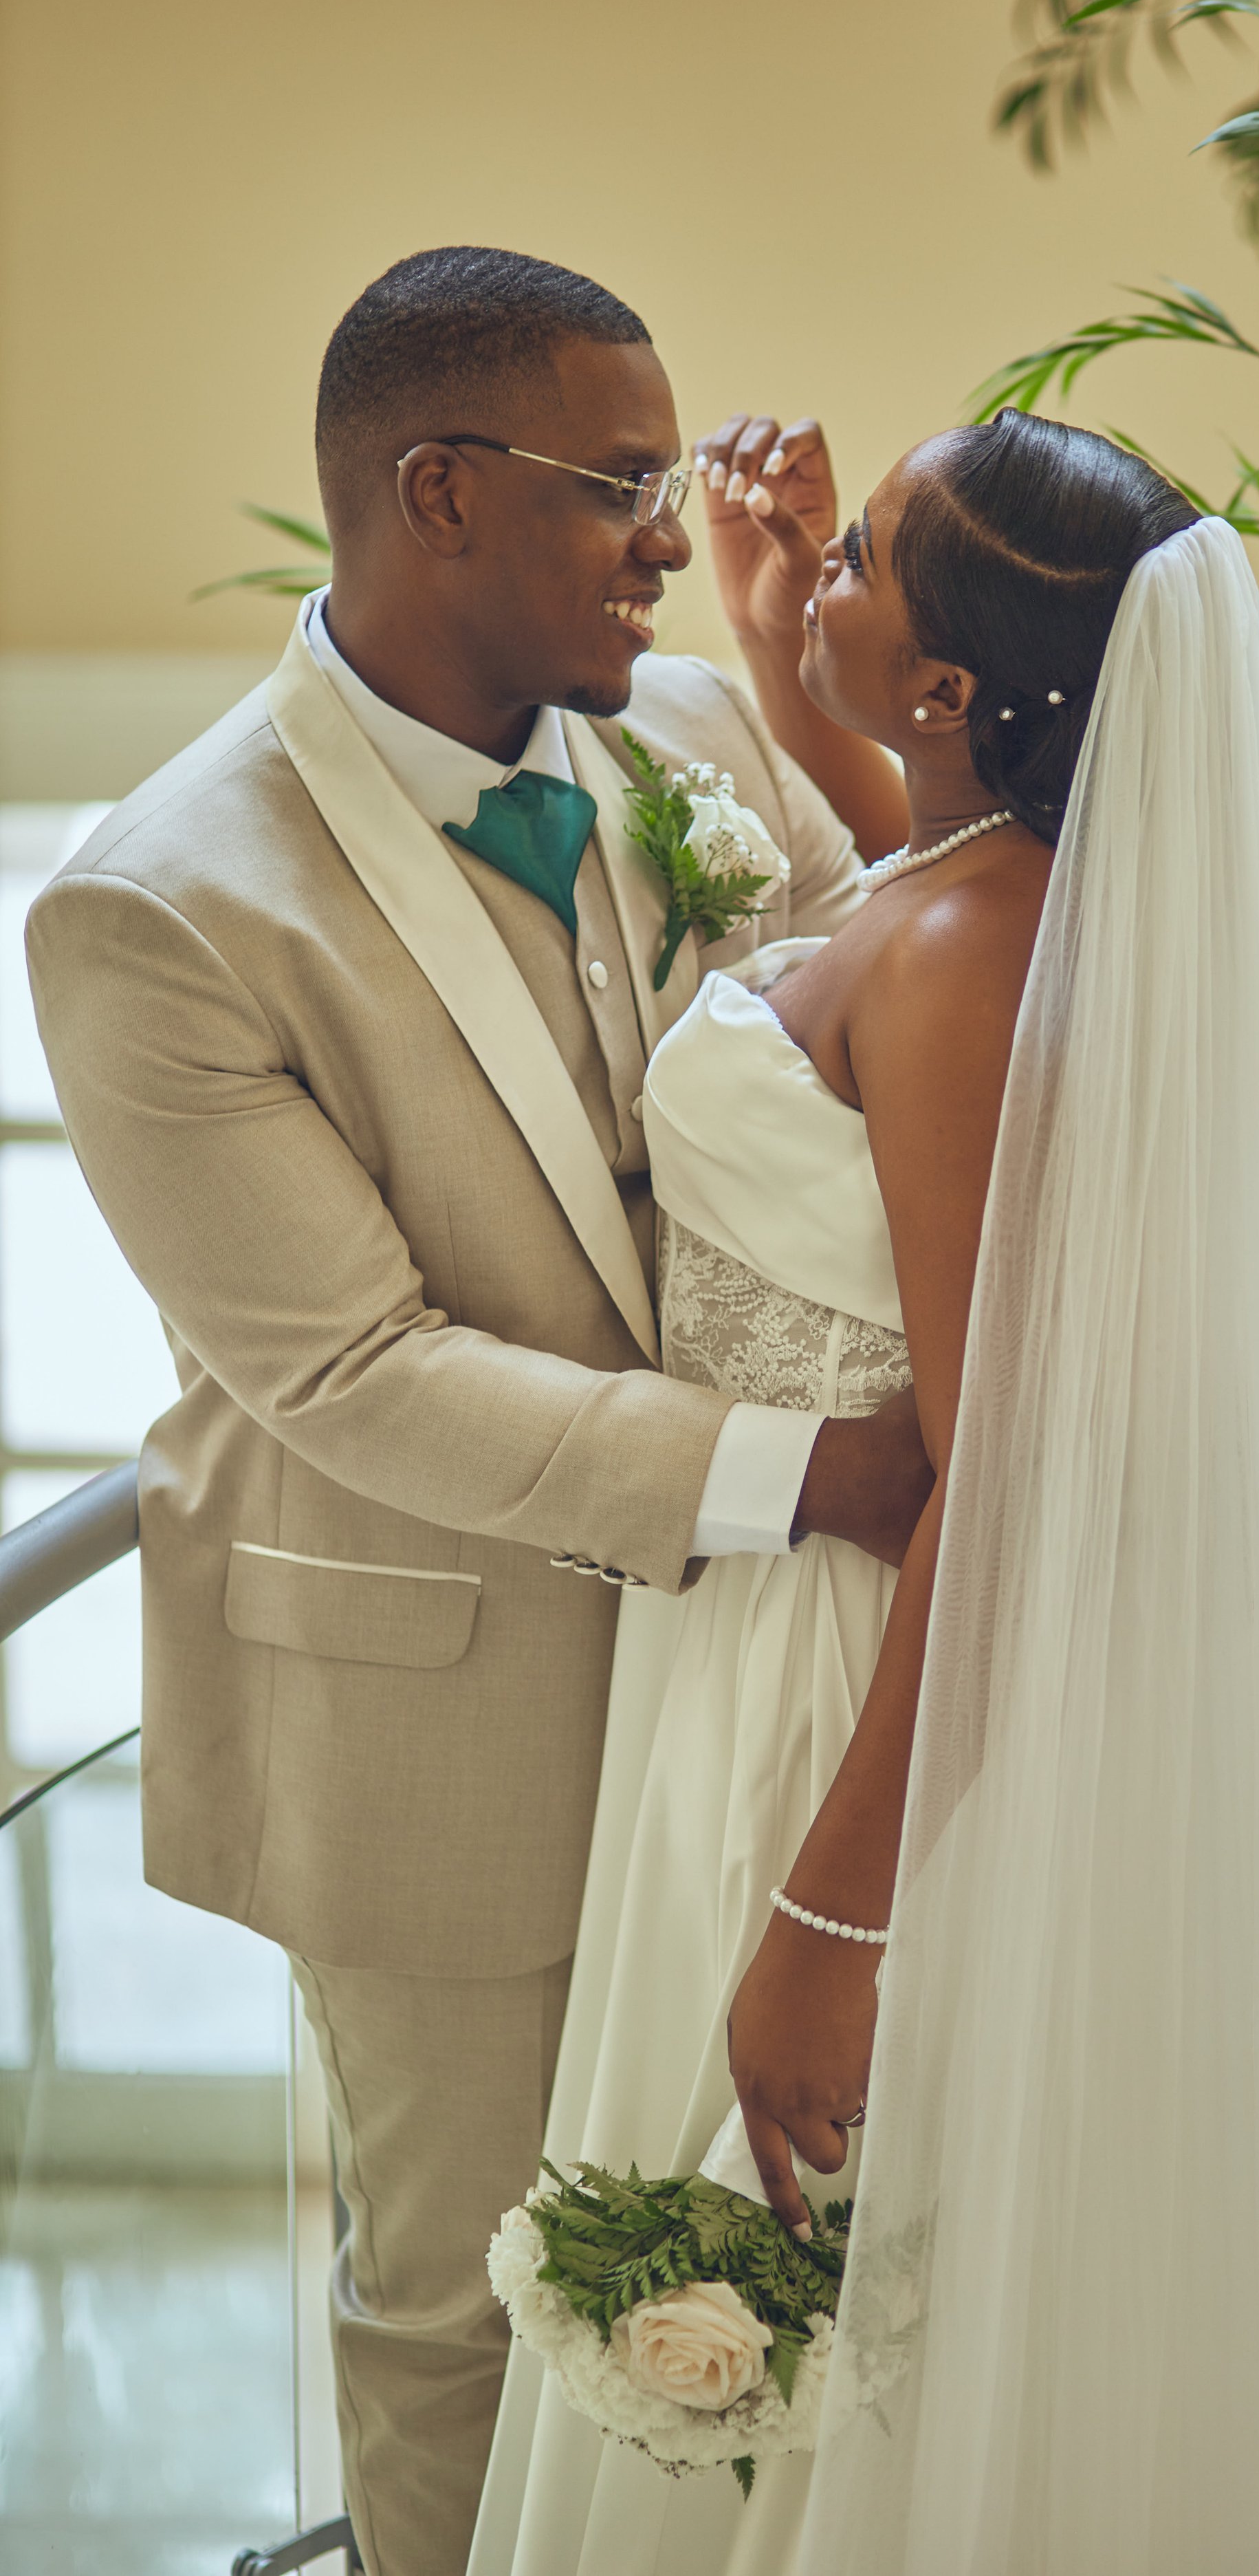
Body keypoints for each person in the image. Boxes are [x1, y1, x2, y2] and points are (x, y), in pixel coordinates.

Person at [473, 406, 1259, 2576]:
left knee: (875, 2299)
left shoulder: (970, 957)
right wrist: (787, 642)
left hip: (868, 1682)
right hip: (795, 1638)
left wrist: (829, 1927)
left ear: (956, 689)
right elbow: (907, 893)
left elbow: (1011, 1467)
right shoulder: (977, 882)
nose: (817, 564)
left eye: (856, 559)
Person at [25, 248, 932, 2576]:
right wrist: (821, 1474)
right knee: (463, 2309)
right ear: (437, 491)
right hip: (439, 1706)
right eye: (619, 484)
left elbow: (900, 1000)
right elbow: (346, 1369)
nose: (667, 536)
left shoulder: (697, 735)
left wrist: (798, 665)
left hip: (763, 1680)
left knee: (774, 2272)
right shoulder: (160, 907)